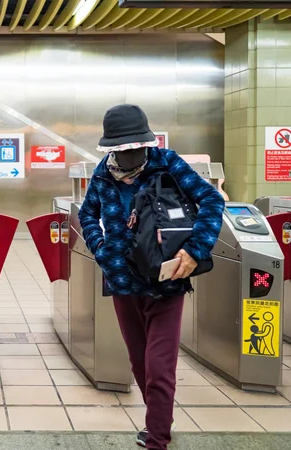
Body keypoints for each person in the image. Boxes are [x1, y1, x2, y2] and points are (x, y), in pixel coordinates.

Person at [79, 104, 224, 450]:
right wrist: (101, 248)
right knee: (139, 363)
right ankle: (160, 417)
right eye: (123, 148)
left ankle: (157, 437)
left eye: (136, 146)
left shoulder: (168, 163)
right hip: (122, 283)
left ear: (147, 141)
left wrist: (194, 251)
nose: (131, 153)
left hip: (167, 281)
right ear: (111, 148)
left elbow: (212, 200)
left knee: (159, 367)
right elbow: (87, 214)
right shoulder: (102, 174)